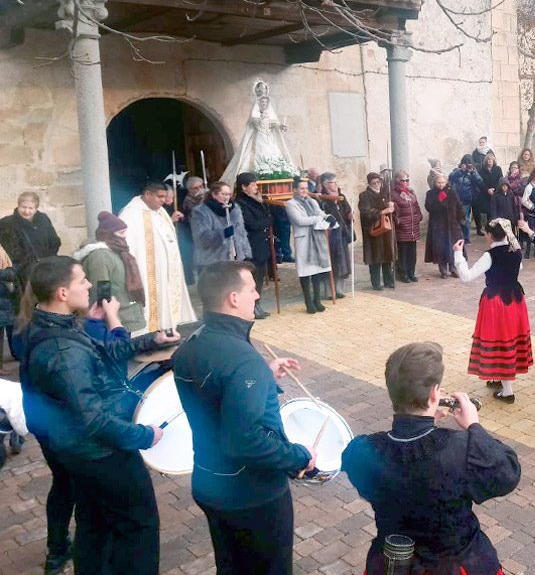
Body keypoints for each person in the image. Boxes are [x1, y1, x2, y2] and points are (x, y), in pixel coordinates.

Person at [20, 256, 178, 575]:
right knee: (138, 527)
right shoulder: (62, 351)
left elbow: (101, 353)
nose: (89, 285)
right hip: (100, 455)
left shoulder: (55, 324)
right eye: (82, 280)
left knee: (94, 523)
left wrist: (152, 339)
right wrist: (145, 435)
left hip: (77, 451)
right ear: (63, 292)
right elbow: (92, 419)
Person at [171, 261, 315, 575]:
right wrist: (299, 456)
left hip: (210, 483)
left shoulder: (190, 347)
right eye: (251, 289)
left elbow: (218, 390)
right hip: (252, 495)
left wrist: (263, 374)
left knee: (231, 565)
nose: (257, 295)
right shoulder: (242, 361)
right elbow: (244, 439)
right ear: (233, 298)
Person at [342, 342, 520, 574]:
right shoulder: (461, 449)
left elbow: (390, 470)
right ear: (435, 393)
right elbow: (507, 472)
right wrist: (474, 426)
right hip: (455, 565)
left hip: (392, 564)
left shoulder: (362, 451)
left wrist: (424, 424)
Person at [453, 219, 533, 402]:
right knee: (509, 339)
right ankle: (499, 378)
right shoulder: (516, 251)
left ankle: (508, 391)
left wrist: (458, 254)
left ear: (489, 235)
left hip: (496, 303)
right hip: (515, 300)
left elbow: (466, 276)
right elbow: (518, 267)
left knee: (501, 340)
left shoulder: (490, 255)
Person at [120, 182, 197, 335]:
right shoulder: (131, 213)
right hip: (148, 269)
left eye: (164, 197)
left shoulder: (160, 211)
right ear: (147, 194)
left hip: (166, 268)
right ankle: (151, 330)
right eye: (159, 197)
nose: (163, 200)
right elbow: (128, 243)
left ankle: (168, 325)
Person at [72, 212, 146, 333]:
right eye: (121, 233)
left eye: (125, 231)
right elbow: (101, 293)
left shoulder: (119, 251)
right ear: (108, 234)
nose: (125, 236)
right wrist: (112, 321)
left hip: (126, 315)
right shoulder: (100, 257)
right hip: (113, 321)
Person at [286, 177, 335, 312]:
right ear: (295, 190)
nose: (304, 191)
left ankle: (317, 300)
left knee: (316, 271)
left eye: (306, 188)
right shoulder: (291, 204)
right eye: (301, 188)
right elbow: (299, 220)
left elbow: (320, 213)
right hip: (303, 240)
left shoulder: (312, 202)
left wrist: (327, 216)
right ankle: (308, 302)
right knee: (305, 272)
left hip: (316, 239)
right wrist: (318, 219)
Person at [190, 180, 252, 277]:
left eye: (229, 194)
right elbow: (201, 238)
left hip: (236, 257)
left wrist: (245, 253)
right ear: (214, 195)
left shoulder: (235, 209)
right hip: (213, 260)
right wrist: (222, 233)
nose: (227, 197)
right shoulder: (201, 212)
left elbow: (242, 233)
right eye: (223, 194)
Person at [0, 191, 61, 287]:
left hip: (45, 268)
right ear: (18, 206)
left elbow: (54, 241)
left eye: (30, 208)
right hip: (22, 273)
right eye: (23, 207)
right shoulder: (6, 223)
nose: (26, 211)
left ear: (36, 209)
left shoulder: (43, 219)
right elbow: (8, 249)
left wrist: (49, 260)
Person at [235, 172, 274, 318]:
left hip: (260, 243)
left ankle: (258, 304)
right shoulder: (241, 203)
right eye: (253, 185)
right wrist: (268, 221)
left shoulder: (255, 200)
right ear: (244, 187)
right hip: (252, 245)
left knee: (259, 277)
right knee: (253, 277)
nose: (256, 187)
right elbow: (251, 224)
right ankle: (252, 306)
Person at [358, 172, 399, 291]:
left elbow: (394, 210)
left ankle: (388, 280)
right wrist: (382, 212)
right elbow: (365, 212)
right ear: (369, 184)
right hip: (374, 230)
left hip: (387, 229)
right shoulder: (364, 196)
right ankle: (376, 282)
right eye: (373, 183)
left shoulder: (386, 194)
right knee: (375, 257)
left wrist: (393, 206)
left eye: (378, 182)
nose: (376, 185)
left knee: (387, 255)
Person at [317, 172, 354, 292]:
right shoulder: (321, 198)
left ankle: (339, 290)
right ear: (326, 184)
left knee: (342, 262)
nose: (337, 185)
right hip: (330, 234)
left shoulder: (341, 196)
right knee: (331, 262)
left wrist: (350, 215)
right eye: (334, 182)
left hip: (341, 233)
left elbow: (347, 210)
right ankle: (328, 291)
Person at [425, 174, 464, 278]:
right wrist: (439, 201)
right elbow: (428, 207)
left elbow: (459, 206)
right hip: (438, 225)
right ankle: (443, 269)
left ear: (446, 182)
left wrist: (461, 219)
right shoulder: (430, 193)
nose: (441, 185)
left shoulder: (452, 192)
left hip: (452, 224)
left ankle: (453, 268)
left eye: (443, 182)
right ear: (435, 183)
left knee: (453, 246)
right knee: (441, 247)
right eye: (439, 183)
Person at [388, 170, 423, 284]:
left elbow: (416, 206)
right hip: (402, 228)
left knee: (412, 253)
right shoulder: (393, 194)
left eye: (408, 180)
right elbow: (393, 212)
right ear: (398, 181)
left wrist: (419, 217)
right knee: (403, 252)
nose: (406, 183)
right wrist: (399, 222)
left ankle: (411, 272)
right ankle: (403, 273)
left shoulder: (410, 192)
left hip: (413, 227)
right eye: (404, 180)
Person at [451, 155, 484, 244]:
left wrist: (473, 172)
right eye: (465, 163)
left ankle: (466, 238)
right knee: (457, 218)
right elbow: (451, 178)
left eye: (469, 163)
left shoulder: (473, 171)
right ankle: (458, 237)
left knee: (465, 219)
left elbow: (480, 182)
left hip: (467, 199)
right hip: (457, 198)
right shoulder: (457, 171)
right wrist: (461, 171)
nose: (467, 165)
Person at [475, 153, 502, 235]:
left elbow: (500, 180)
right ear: (485, 161)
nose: (490, 161)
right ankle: (483, 229)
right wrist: (487, 190)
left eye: (491, 160)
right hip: (484, 194)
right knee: (484, 212)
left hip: (495, 193)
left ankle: (491, 229)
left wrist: (495, 189)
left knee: (492, 212)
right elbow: (480, 182)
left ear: (494, 161)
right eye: (488, 160)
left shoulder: (498, 169)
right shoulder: (481, 170)